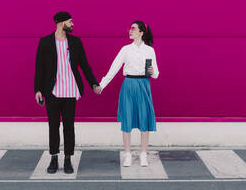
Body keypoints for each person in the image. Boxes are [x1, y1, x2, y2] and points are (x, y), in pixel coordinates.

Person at [34, 11, 102, 174]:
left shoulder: (75, 42)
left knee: (69, 127)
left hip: (71, 91)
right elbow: (39, 68)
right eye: (70, 22)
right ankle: (54, 158)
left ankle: (68, 159)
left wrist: (93, 83)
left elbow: (84, 65)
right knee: (53, 127)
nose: (73, 24)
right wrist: (38, 89)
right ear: (61, 23)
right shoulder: (45, 42)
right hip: (52, 92)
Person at [98, 21, 159, 167]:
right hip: (129, 85)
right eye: (130, 28)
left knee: (145, 118)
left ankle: (143, 153)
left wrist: (153, 73)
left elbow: (156, 72)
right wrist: (101, 85)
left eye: (133, 29)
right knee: (127, 119)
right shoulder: (125, 49)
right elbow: (114, 68)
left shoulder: (150, 50)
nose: (130, 31)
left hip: (144, 85)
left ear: (141, 32)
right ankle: (127, 154)